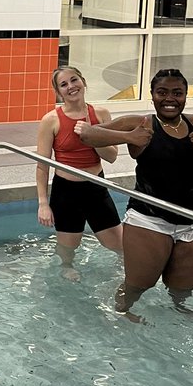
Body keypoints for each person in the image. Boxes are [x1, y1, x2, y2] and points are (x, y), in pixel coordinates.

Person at [76, 68, 193, 313]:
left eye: (177, 93)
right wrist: (129, 136)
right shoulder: (141, 123)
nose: (170, 99)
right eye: (162, 92)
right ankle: (122, 314)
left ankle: (179, 319)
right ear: (152, 95)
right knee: (137, 286)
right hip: (149, 221)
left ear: (185, 96)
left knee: (182, 292)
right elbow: (88, 134)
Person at [36, 66, 123, 279]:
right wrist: (43, 203)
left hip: (96, 188)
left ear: (83, 81)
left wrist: (91, 136)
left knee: (119, 246)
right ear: (58, 92)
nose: (71, 87)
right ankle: (66, 267)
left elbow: (111, 156)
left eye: (74, 80)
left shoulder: (101, 114)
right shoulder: (51, 120)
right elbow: (42, 164)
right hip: (66, 192)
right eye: (63, 85)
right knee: (67, 249)